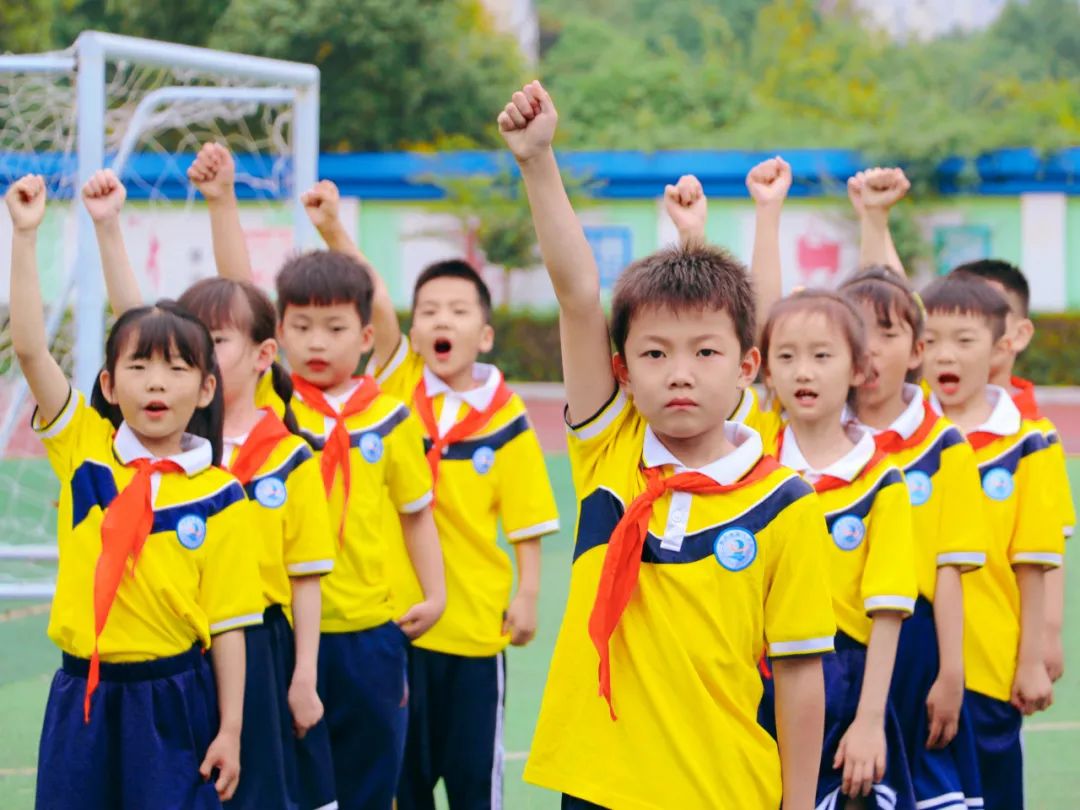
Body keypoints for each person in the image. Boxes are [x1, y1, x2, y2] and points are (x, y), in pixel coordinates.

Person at [502, 80, 835, 810]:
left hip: (728, 790)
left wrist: (801, 803)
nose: (679, 374)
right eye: (653, 356)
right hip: (601, 786)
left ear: (748, 366)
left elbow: (803, 672)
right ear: (621, 369)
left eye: (705, 354)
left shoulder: (786, 504)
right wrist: (537, 161)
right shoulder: (610, 448)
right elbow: (579, 295)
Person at [84, 158, 339, 810]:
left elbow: (305, 578)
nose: (187, 359)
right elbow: (131, 317)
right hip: (179, 645)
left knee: (256, 792)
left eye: (212, 343)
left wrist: (304, 675)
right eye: (175, 352)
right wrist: (109, 229)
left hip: (257, 643)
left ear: (260, 356)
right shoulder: (167, 444)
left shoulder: (287, 449)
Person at [300, 179, 560, 810]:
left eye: (459, 311)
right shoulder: (398, 391)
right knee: (403, 783)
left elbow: (526, 520)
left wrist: (527, 596)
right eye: (430, 312)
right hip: (401, 628)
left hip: (474, 633)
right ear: (411, 333)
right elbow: (378, 305)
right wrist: (334, 230)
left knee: (474, 780)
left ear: (486, 335)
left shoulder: (508, 420)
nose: (442, 320)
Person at [6, 174, 263, 809]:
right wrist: (25, 235)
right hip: (83, 696)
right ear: (110, 383)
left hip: (174, 696)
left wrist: (230, 729)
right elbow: (33, 351)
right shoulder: (86, 449)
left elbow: (231, 627)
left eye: (177, 369)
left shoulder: (222, 496)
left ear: (205, 390)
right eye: (138, 367)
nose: (157, 383)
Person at [757, 289, 919, 810]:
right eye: (786, 356)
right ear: (761, 370)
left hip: (844, 680)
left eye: (822, 355)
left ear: (859, 369)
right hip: (756, 673)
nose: (803, 371)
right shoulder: (751, 461)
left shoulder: (882, 481)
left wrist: (870, 719)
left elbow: (890, 610)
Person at [839, 268, 986, 810]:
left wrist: (951, 672)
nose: (871, 350)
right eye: (856, 333)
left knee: (919, 791)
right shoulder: (810, 440)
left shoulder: (944, 446)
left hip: (913, 649)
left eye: (887, 333)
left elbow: (949, 569)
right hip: (828, 647)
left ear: (918, 349)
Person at [921, 273, 1062, 810]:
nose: (944, 355)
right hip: (912, 668)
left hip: (989, 667)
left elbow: (1035, 562)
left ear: (1003, 346)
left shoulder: (1030, 443)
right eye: (930, 341)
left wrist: (1031, 657)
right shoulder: (900, 440)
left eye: (964, 340)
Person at [949, 258, 1074, 683]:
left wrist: (1045, 636)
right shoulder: (923, 422)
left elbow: (1043, 550)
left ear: (1012, 336)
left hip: (994, 658)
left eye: (987, 316)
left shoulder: (1033, 439)